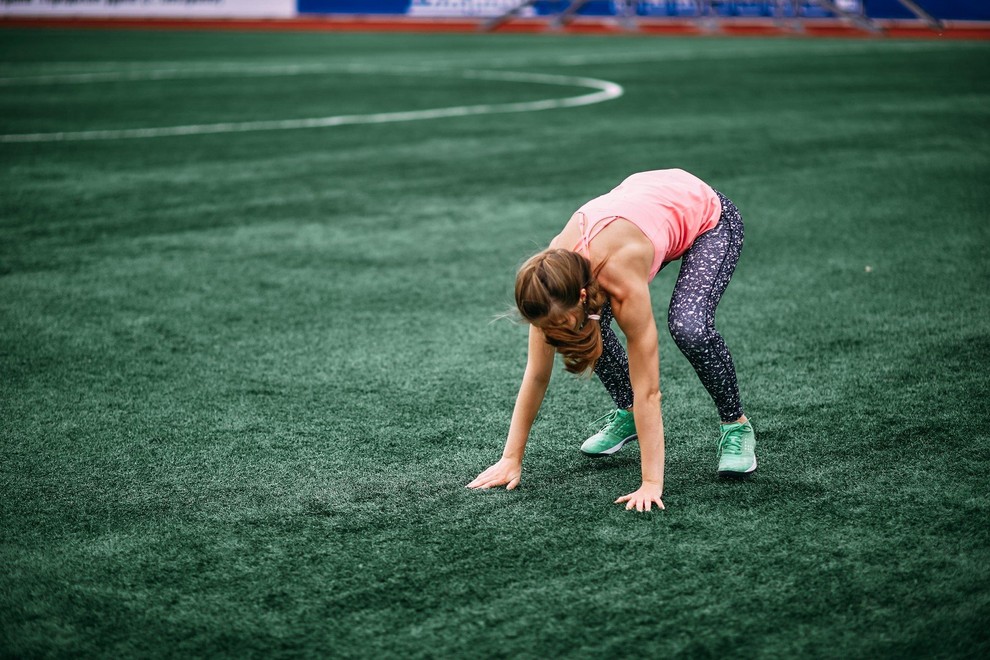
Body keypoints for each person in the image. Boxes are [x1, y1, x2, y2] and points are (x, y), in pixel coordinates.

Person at [466, 168, 757, 512]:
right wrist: (510, 459)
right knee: (585, 329)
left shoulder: (621, 275)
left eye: (558, 322)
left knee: (688, 326)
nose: (553, 333)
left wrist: (650, 483)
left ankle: (735, 425)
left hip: (707, 217)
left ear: (583, 293)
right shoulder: (548, 285)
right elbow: (537, 373)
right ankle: (628, 414)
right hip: (646, 208)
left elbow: (648, 388)